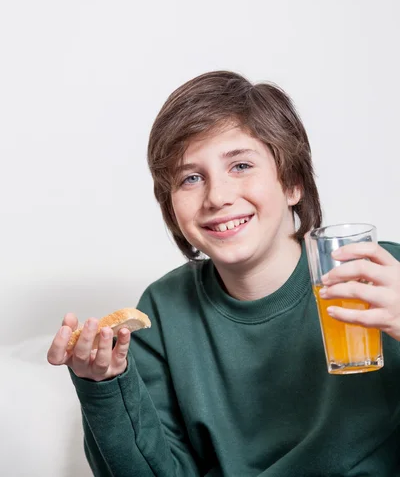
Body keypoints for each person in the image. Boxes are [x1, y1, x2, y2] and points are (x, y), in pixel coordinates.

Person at [47, 71, 400, 477]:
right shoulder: (162, 311)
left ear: (293, 183)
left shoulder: (382, 275)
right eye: (191, 178)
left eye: (241, 165)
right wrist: (104, 386)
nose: (217, 197)